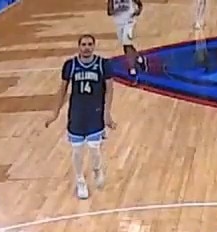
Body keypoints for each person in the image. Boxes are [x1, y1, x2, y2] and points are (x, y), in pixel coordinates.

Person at [46, 35, 116, 200]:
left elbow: (110, 90)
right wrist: (54, 113)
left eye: (90, 44)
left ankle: (97, 169)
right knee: (77, 150)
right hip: (76, 112)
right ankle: (80, 181)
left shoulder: (103, 64)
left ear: (94, 46)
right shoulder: (70, 65)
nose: (86, 47)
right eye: (83, 44)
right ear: (79, 46)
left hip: (95, 111)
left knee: (94, 147)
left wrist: (107, 112)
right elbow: (62, 90)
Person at [108, 0, 147, 76]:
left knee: (127, 43)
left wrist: (137, 11)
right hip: (119, 23)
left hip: (129, 22)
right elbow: (109, 12)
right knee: (126, 45)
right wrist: (114, 10)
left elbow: (139, 4)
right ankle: (139, 58)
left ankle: (132, 69)